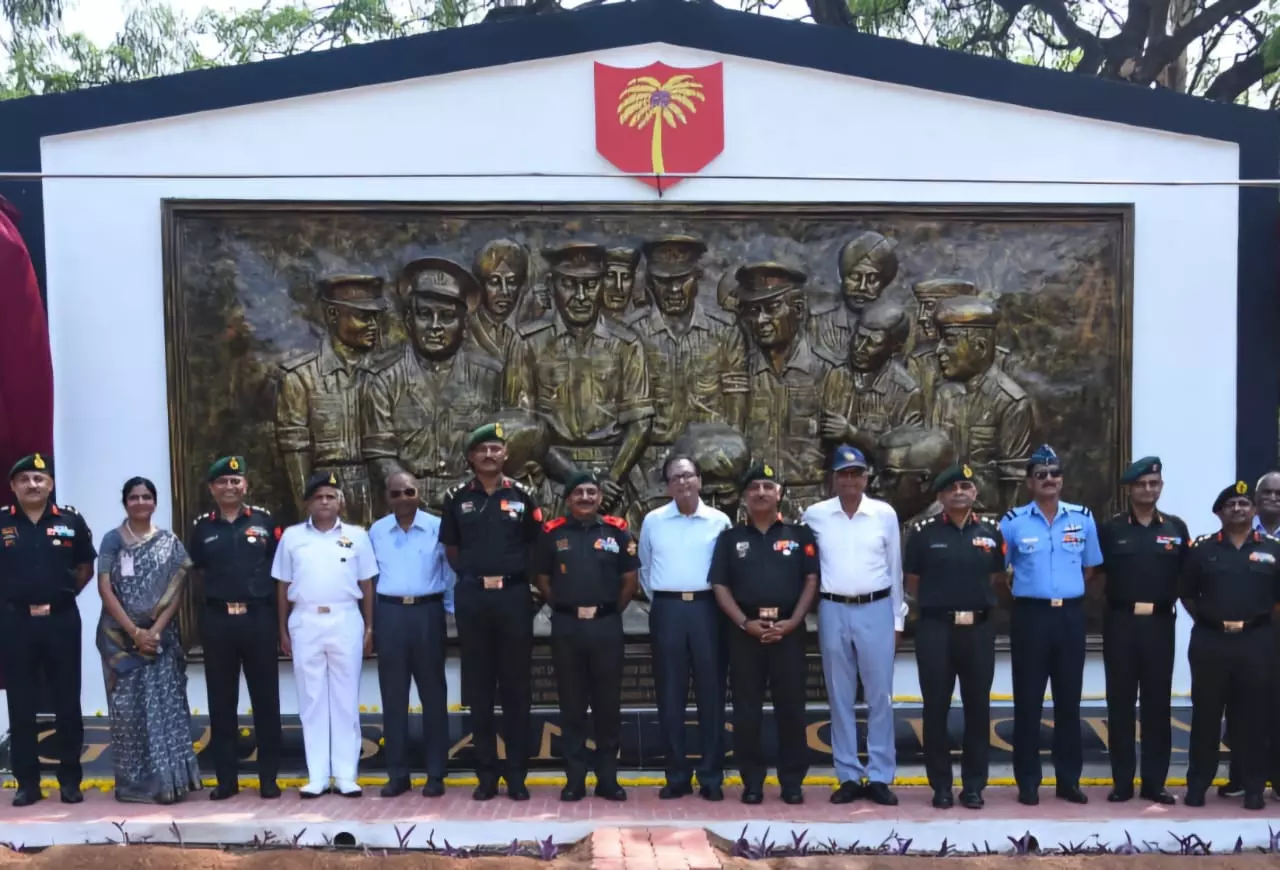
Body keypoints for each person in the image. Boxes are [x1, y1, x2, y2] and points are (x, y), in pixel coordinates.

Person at [439, 422, 542, 801]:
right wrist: (474, 577)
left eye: (495, 449)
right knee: (479, 689)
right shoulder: (455, 498)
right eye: (481, 449)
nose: (488, 455)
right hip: (474, 599)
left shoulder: (524, 496)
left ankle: (516, 775)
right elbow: (452, 549)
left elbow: (536, 547)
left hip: (513, 597)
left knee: (516, 689)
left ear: (505, 455)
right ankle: (486, 774)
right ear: (470, 457)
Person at [802, 444, 904, 806]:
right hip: (833, 609)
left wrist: (897, 616)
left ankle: (879, 775)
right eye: (843, 474)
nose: (850, 480)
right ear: (833, 478)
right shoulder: (814, 515)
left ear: (866, 477)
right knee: (839, 695)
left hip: (875, 607)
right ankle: (847, 773)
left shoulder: (883, 514)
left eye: (856, 473)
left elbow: (895, 568)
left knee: (880, 697)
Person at [710, 462, 818, 805]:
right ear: (744, 496)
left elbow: (811, 580)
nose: (761, 492)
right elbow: (720, 585)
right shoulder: (730, 539)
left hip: (789, 632)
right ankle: (752, 781)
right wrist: (745, 623)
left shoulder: (800, 536)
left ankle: (791, 782)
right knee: (746, 711)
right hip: (745, 634)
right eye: (754, 487)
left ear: (779, 494)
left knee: (791, 709)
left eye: (768, 487)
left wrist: (794, 621)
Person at [999, 444, 1101, 806]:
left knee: (1068, 702)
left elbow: (1090, 569)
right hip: (1030, 616)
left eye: (1054, 473)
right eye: (1040, 475)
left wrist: (1065, 593)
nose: (1049, 480)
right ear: (1029, 482)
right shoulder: (1012, 522)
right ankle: (1028, 781)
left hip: (1069, 617)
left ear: (1062, 479)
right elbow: (999, 573)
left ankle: (1068, 780)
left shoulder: (1082, 517)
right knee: (1027, 702)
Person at [904, 463, 1004, 810]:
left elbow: (995, 579)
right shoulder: (923, 532)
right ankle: (941, 786)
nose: (959, 492)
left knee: (978, 708)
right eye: (952, 488)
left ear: (974, 492)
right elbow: (912, 582)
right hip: (936, 629)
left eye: (966, 486)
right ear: (941, 496)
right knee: (936, 709)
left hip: (977, 629)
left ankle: (974, 786)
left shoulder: (992, 532)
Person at [533, 471, 637, 802]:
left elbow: (629, 581)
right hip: (567, 627)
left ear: (599, 497)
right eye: (579, 492)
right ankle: (575, 779)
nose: (586, 497)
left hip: (606, 626)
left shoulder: (617, 532)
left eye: (592, 492)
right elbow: (543, 580)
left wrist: (605, 611)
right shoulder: (552, 533)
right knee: (572, 705)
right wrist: (566, 607)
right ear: (568, 499)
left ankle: (608, 778)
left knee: (608, 705)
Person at [96, 476, 201, 805]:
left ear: (155, 502)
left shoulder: (169, 541)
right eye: (134, 497)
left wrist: (154, 632)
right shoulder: (113, 540)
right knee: (129, 712)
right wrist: (134, 632)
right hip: (121, 640)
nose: (141, 502)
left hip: (161, 641)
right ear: (125, 502)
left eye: (146, 497)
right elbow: (104, 587)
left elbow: (178, 588)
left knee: (166, 709)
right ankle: (135, 786)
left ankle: (171, 783)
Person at [272, 471, 376, 798]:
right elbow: (282, 585)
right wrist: (282, 628)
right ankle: (317, 775)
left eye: (331, 496)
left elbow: (367, 584)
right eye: (319, 497)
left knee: (345, 699)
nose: (325, 502)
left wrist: (370, 626)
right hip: (305, 619)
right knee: (312, 700)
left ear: (340, 502)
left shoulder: (358, 536)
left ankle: (346, 775)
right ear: (308, 503)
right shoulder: (291, 537)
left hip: (346, 617)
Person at [186, 455, 283, 800]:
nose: (229, 486)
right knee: (222, 702)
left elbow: (278, 573)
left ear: (246, 485)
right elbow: (197, 573)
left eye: (235, 480)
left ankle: (268, 779)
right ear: (212, 488)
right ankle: (227, 780)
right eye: (222, 482)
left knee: (266, 701)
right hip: (219, 621)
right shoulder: (202, 527)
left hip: (258, 619)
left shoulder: (264, 521)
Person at [0, 453, 94, 807]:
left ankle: (70, 781)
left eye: (39, 478)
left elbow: (85, 566)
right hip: (15, 623)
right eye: (24, 479)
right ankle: (27, 783)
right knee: (21, 702)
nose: (32, 484)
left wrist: (62, 596)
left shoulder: (70, 520)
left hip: (60, 621)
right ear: (13, 486)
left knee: (67, 701)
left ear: (51, 484)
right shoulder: (2, 523)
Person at [1180, 481, 1280, 811]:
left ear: (1253, 511)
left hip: (1255, 642)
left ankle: (1253, 787)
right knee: (1206, 716)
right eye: (1231, 505)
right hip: (1211, 641)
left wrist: (1255, 623)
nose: (1238, 509)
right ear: (1220, 513)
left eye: (1243, 503)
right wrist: (1214, 620)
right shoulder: (1202, 548)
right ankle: (1198, 785)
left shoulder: (1272, 548)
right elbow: (1187, 594)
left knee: (1253, 717)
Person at [638, 454, 733, 801]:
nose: (682, 482)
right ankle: (676, 775)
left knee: (711, 694)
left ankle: (710, 776)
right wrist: (665, 598)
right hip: (668, 609)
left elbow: (725, 570)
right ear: (667, 486)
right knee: (670, 695)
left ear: (700, 481)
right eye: (675, 478)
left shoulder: (719, 521)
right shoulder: (654, 521)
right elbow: (645, 569)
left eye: (688, 476)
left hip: (708, 609)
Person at [1096, 456, 1187, 805]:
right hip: (1121, 622)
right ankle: (1122, 782)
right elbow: (1097, 578)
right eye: (1141, 484)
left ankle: (1154, 783)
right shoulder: (1112, 529)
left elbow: (1186, 577)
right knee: (1119, 703)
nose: (1148, 489)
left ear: (1160, 486)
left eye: (1154, 483)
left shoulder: (1176, 529)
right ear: (1130, 489)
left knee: (1157, 705)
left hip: (1161, 624)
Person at [369, 470, 455, 798]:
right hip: (390, 614)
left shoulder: (437, 527)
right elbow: (370, 578)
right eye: (396, 494)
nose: (403, 499)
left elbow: (449, 573)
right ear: (386, 498)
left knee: (433, 696)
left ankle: (435, 774)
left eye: (409, 492)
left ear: (419, 493)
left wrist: (447, 612)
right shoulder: (376, 531)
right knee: (393, 697)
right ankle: (398, 774)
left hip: (427, 613)